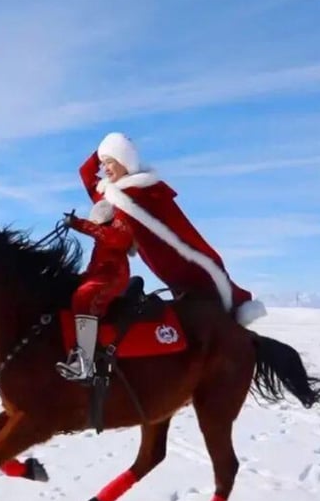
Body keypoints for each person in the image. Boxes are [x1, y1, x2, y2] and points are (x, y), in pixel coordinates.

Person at [78, 132, 267, 327]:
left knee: (209, 300)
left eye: (110, 162)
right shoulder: (113, 193)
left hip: (179, 262)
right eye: (103, 163)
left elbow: (175, 228)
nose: (104, 168)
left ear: (124, 161)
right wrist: (104, 150)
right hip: (161, 266)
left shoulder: (143, 193)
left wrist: (122, 147)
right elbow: (85, 173)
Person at [56, 199, 135, 381]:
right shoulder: (103, 236)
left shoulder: (120, 229)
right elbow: (95, 265)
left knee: (84, 297)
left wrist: (78, 224)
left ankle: (84, 363)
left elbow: (108, 236)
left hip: (113, 278)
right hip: (99, 276)